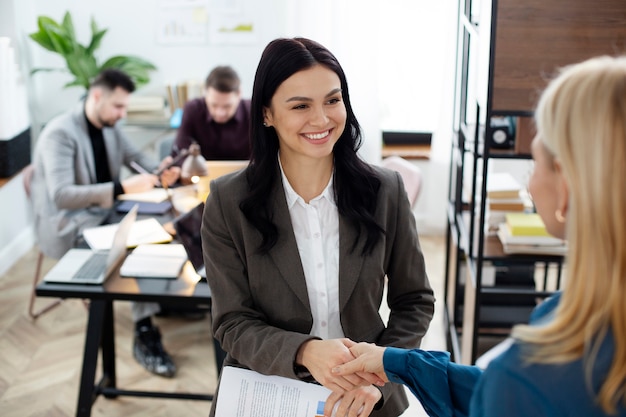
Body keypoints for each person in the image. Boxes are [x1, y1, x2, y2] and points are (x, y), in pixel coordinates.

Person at [332, 55, 626, 417]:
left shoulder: (534, 369)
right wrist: (397, 361)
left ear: (564, 185)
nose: (530, 183)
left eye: (534, 164)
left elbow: (502, 390)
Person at [201, 37, 435, 417]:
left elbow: (414, 302)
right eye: (300, 106)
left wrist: (383, 373)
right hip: (269, 387)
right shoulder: (228, 201)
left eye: (332, 99)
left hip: (369, 392)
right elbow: (232, 322)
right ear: (266, 114)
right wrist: (306, 352)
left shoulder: (385, 191)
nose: (322, 119)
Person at [30, 68, 181, 378]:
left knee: (164, 222)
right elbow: (61, 196)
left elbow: (138, 158)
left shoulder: (110, 125)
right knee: (134, 245)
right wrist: (122, 188)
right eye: (118, 106)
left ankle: (158, 296)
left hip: (106, 212)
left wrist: (162, 170)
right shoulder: (60, 133)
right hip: (71, 223)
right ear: (97, 96)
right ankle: (144, 328)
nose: (123, 114)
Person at [171, 65, 251, 161]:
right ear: (205, 92)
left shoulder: (253, 111)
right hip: (201, 175)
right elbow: (180, 151)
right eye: (214, 105)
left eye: (227, 106)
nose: (220, 113)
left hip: (246, 175)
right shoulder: (192, 109)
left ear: (239, 94)